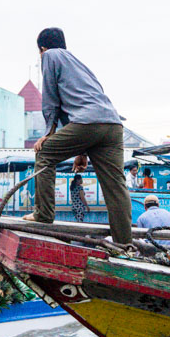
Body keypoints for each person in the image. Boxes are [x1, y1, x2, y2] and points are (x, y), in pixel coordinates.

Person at [22, 27, 133, 245]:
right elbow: (79, 102)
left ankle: (43, 214)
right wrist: (82, 152)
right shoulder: (78, 63)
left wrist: (48, 134)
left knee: (44, 153)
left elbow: (51, 99)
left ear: (42, 48)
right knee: (115, 186)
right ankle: (124, 244)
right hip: (112, 125)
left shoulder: (50, 56)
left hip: (88, 123)